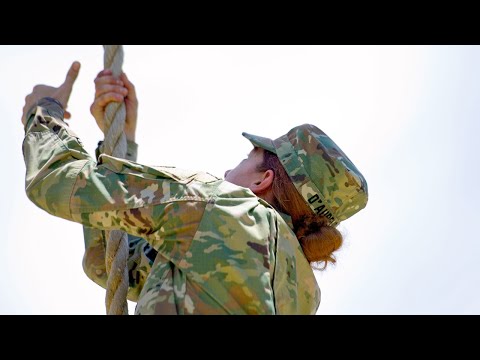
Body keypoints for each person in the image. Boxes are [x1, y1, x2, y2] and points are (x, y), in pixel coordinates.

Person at [21, 61, 368, 315]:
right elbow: (114, 263)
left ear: (264, 180)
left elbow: (54, 181)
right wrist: (121, 142)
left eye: (248, 157)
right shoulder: (303, 296)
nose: (229, 168)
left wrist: (44, 111)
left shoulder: (222, 207)